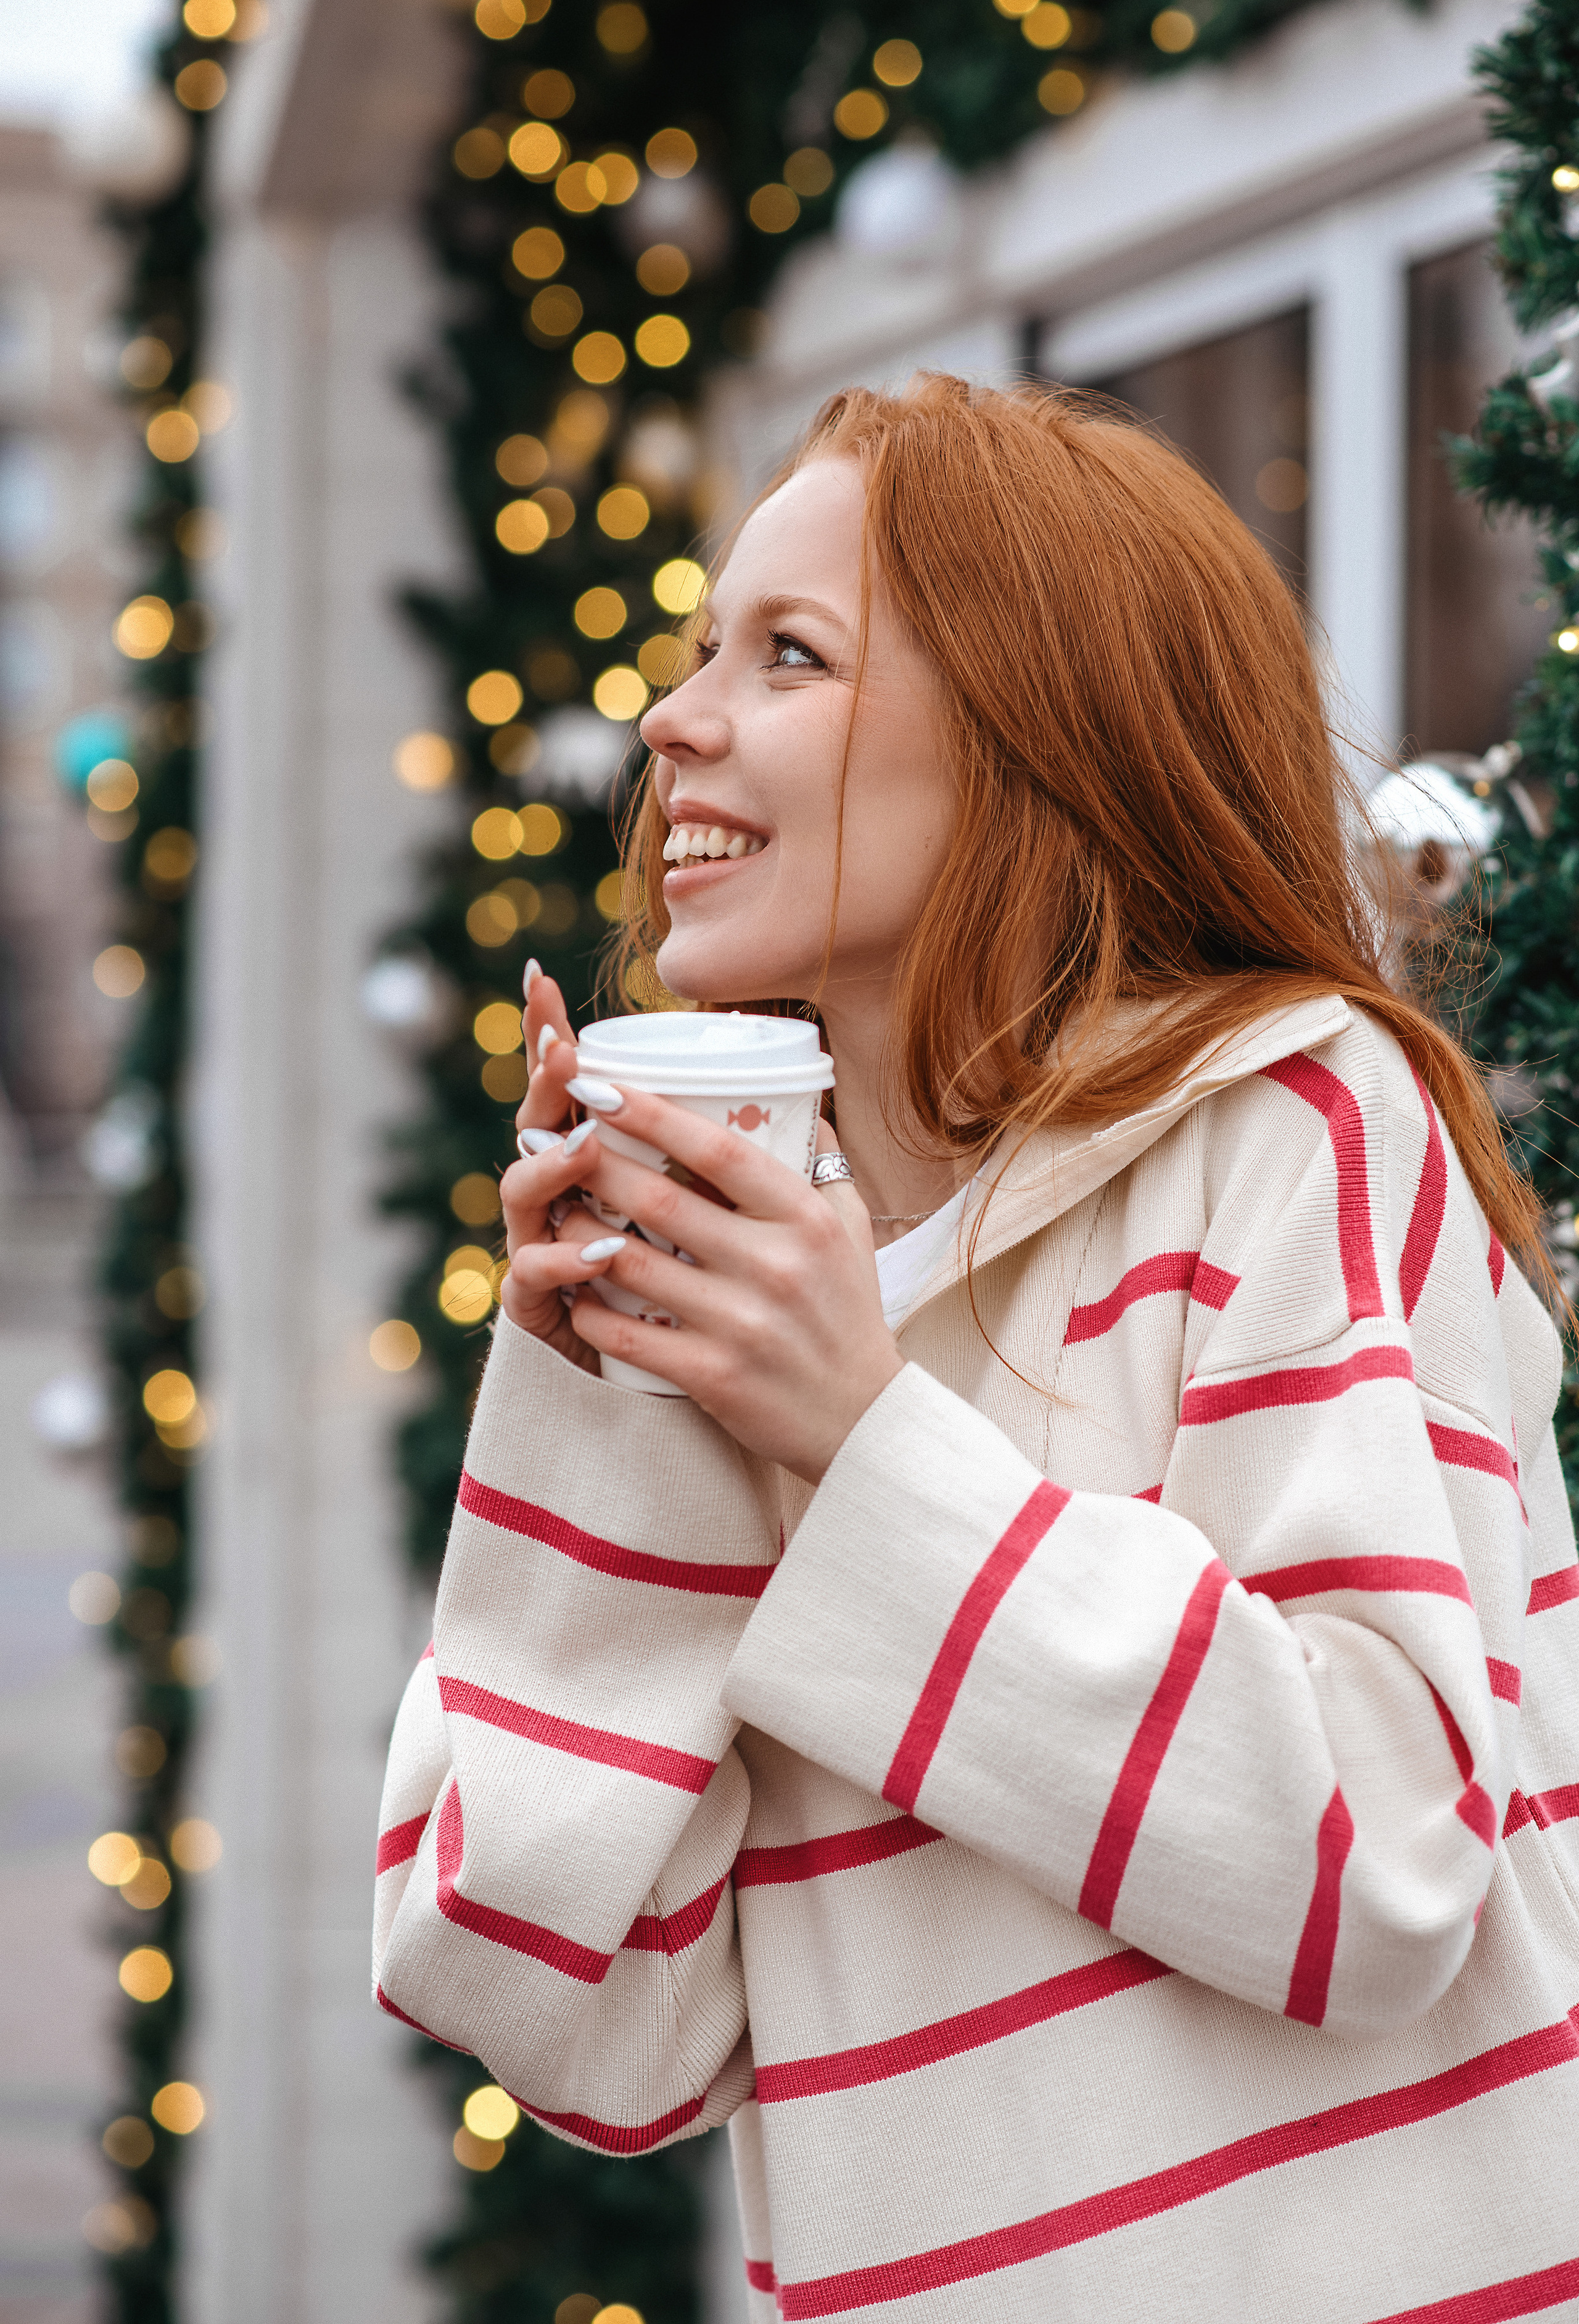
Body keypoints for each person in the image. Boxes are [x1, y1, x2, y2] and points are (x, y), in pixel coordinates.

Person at [374, 379, 1579, 2320]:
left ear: (1039, 728)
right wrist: (616, 1410)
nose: (676, 722)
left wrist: (857, 1439)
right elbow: (583, 2021)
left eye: (790, 655)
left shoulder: (1291, 1119)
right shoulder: (794, 1261)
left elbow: (1379, 1858)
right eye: (699, 657)